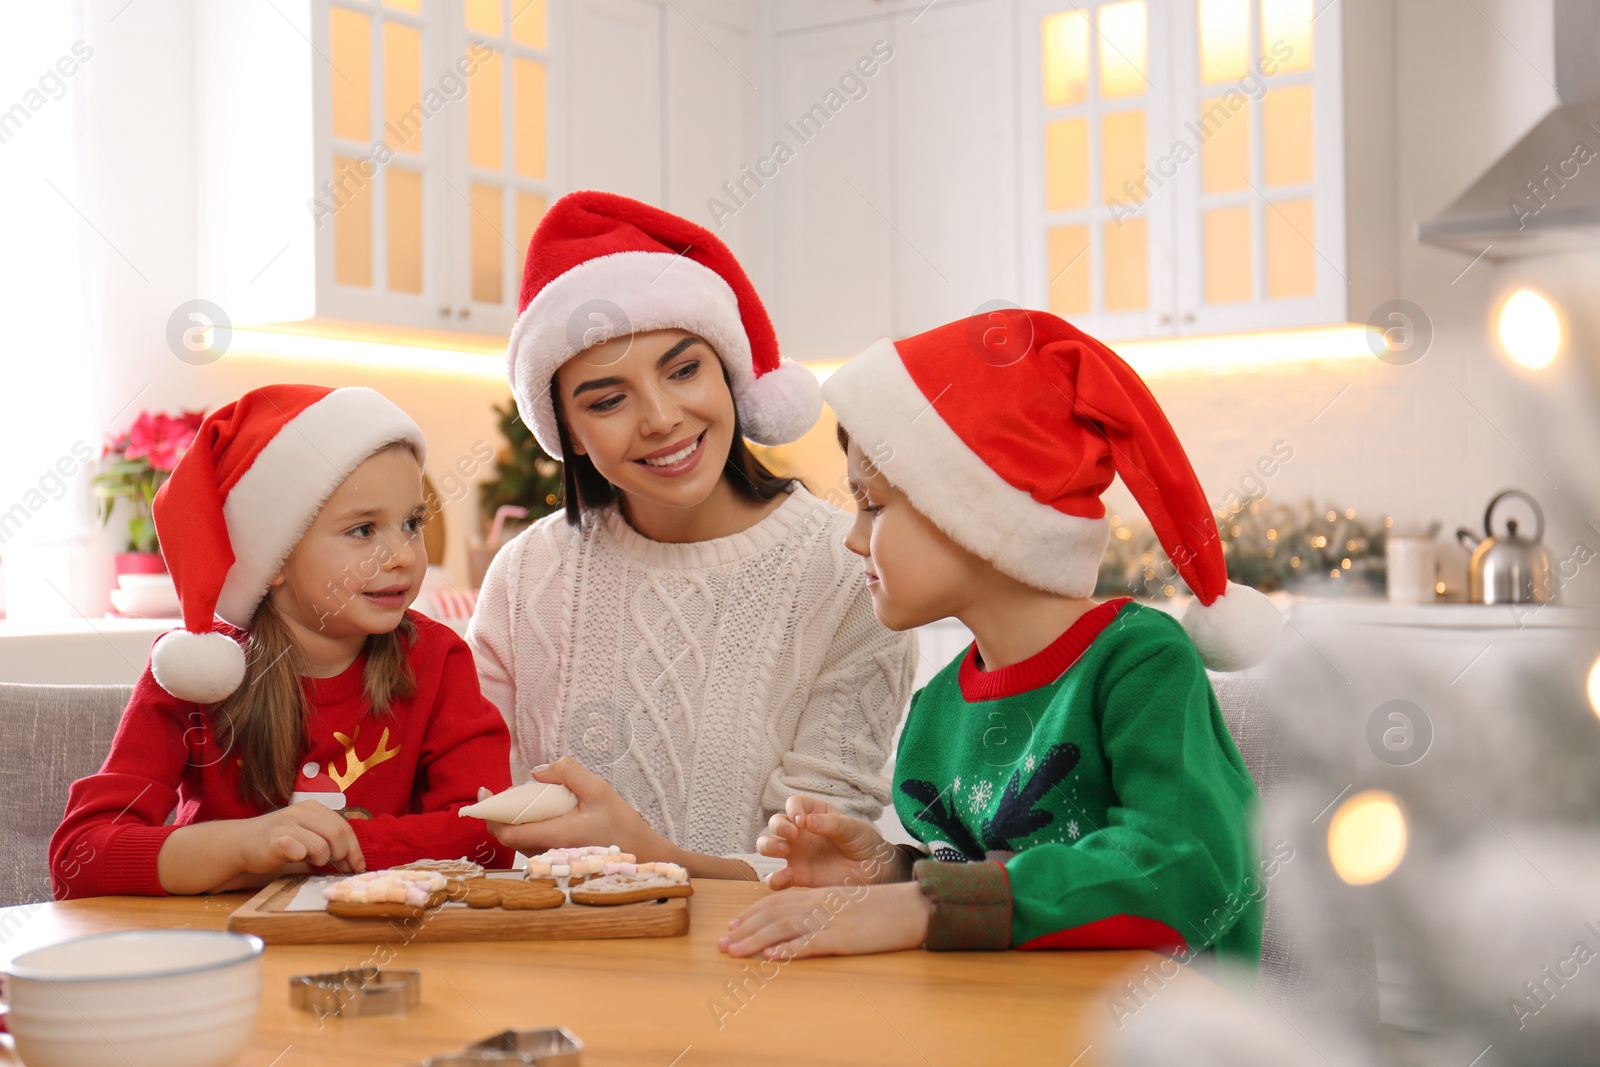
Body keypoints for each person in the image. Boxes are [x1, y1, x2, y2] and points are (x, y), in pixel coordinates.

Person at [720, 308, 1283, 960]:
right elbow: (985, 882)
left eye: (873, 504)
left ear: (976, 515)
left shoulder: (1138, 663)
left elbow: (1190, 871)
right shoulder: (938, 707)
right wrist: (889, 872)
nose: (853, 537)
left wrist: (924, 906)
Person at [469, 191, 917, 879]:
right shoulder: (526, 576)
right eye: (607, 399)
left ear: (730, 373)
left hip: (758, 972)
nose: (660, 417)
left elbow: (820, 867)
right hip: (550, 967)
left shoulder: (851, 571)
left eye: (684, 370)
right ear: (569, 433)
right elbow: (471, 810)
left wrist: (653, 860)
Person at [51, 385, 514, 898]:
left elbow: (486, 834)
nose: (402, 555)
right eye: (363, 530)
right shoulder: (192, 673)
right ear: (271, 560)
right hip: (223, 955)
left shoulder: (438, 659)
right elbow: (80, 857)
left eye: (411, 523)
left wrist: (332, 844)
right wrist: (246, 845)